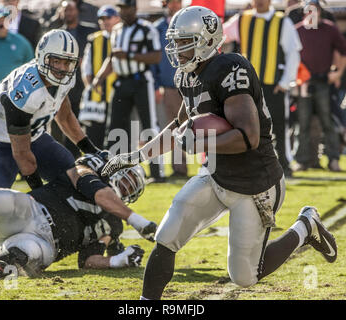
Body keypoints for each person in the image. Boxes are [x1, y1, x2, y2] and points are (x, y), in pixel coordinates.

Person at [100, 6, 338, 300]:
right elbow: (179, 127)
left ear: (206, 40)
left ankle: (305, 226)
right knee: (167, 236)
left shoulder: (230, 69)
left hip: (255, 183)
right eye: (175, 41)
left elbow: (248, 137)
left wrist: (199, 145)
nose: (177, 49)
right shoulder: (186, 77)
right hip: (217, 176)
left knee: (245, 276)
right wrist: (135, 156)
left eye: (184, 41)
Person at [0, 29, 101, 256]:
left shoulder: (65, 78)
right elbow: (22, 155)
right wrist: (41, 194)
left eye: (67, 63)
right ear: (43, 57)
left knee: (72, 172)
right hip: (0, 144)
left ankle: (88, 225)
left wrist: (89, 148)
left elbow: (64, 116)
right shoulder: (25, 90)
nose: (62, 69)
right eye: (56, 61)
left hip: (36, 136)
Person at [0, 152, 157, 279]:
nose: (125, 189)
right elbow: (100, 194)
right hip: (30, 209)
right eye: (126, 181)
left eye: (130, 189)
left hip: (45, 243)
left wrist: (119, 259)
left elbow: (88, 261)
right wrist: (137, 221)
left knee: (27, 252)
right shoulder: (89, 170)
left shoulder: (114, 224)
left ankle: (1, 262)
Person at [223, 0, 302, 178]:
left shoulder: (282, 21)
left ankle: (284, 163)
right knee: (247, 126)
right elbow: (220, 35)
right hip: (248, 88)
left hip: (273, 85)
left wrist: (284, 82)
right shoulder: (242, 19)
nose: (259, 1)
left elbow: (293, 53)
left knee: (279, 125)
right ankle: (249, 164)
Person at [92, 0, 165, 183]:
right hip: (121, 82)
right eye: (120, 8)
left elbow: (156, 56)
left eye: (125, 7)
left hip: (141, 81)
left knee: (149, 126)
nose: (123, 11)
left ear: (134, 8)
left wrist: (130, 56)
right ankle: (113, 169)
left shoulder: (146, 28)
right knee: (115, 126)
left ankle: (157, 172)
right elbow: (112, 58)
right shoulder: (117, 30)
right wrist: (99, 77)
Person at [294, 0, 346, 172]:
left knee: (327, 122)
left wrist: (337, 73)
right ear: (304, 12)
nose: (312, 13)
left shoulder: (329, 28)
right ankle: (303, 161)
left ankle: (333, 160)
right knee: (303, 124)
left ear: (320, 11)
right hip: (304, 84)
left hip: (324, 82)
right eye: (309, 10)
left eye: (315, 10)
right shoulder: (298, 30)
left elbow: (343, 51)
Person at [0, 4, 34, 136]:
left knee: (13, 131)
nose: (2, 23)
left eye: (5, 20)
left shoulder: (21, 42)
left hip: (15, 95)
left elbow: (30, 65)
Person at [53, 0, 99, 158]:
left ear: (77, 11)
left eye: (71, 9)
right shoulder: (56, 34)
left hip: (86, 84)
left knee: (87, 122)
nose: (68, 13)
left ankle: (91, 157)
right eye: (65, 10)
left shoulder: (90, 31)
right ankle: (68, 160)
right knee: (64, 121)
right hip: (63, 85)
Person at [151, 0, 187, 178]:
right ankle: (176, 169)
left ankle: (190, 168)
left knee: (193, 127)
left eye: (178, 1)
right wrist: (157, 86)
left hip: (188, 84)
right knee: (171, 128)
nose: (175, 5)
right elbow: (154, 59)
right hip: (168, 87)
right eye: (172, 1)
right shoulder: (157, 28)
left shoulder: (188, 22)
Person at [79, 5, 120, 149]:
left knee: (117, 134)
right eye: (102, 18)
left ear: (117, 18)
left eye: (108, 17)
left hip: (118, 93)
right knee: (94, 133)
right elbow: (86, 67)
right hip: (98, 95)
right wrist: (91, 87)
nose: (105, 21)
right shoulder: (94, 39)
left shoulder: (122, 35)